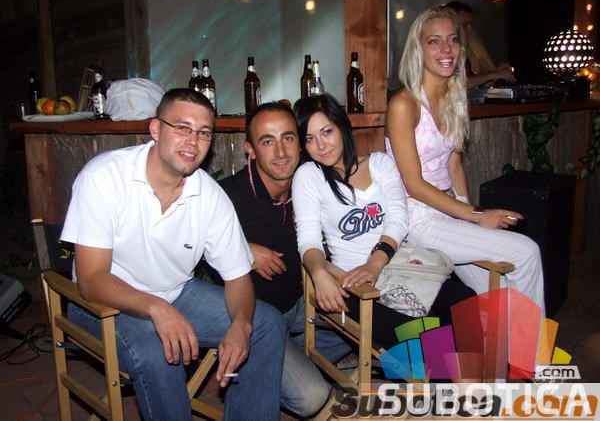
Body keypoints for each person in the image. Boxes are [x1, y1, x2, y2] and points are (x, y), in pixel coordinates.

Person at [61, 88, 286, 421]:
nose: (193, 142)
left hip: (176, 293)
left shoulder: (210, 197)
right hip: (101, 304)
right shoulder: (104, 177)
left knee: (265, 323)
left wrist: (241, 325)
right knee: (160, 350)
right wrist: (157, 308)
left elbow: (238, 277)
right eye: (182, 128)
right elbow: (92, 280)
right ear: (156, 129)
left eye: (204, 133)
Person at [385, 6, 545, 313]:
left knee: (498, 295)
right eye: (434, 41)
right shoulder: (405, 104)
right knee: (526, 253)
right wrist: (476, 216)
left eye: (453, 39)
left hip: (448, 209)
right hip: (416, 216)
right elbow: (414, 184)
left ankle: (507, 343)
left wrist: (468, 214)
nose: (446, 49)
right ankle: (531, 347)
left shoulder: (454, 98)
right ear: (418, 48)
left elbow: (454, 164)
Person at [292, 93, 476, 348]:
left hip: (398, 266)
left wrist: (375, 263)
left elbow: (398, 219)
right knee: (429, 335)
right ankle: (451, 372)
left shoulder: (380, 163)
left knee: (467, 303)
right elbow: (308, 239)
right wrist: (319, 272)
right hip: (354, 283)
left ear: (342, 126)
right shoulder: (308, 176)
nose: (321, 145)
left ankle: (475, 376)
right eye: (310, 139)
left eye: (327, 132)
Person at [212, 102, 350, 417]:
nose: (280, 152)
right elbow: (190, 244)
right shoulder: (227, 196)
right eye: (267, 141)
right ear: (250, 149)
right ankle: (272, 361)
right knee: (312, 397)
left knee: (359, 320)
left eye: (288, 138)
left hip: (301, 305)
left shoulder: (311, 183)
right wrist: (243, 250)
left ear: (300, 143)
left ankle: (275, 362)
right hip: (256, 317)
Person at [445, 1, 516, 88]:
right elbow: (459, 83)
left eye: (471, 24)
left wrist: (498, 74)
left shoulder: (462, 52)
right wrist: (492, 75)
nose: (470, 29)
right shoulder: (446, 52)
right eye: (465, 25)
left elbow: (474, 86)